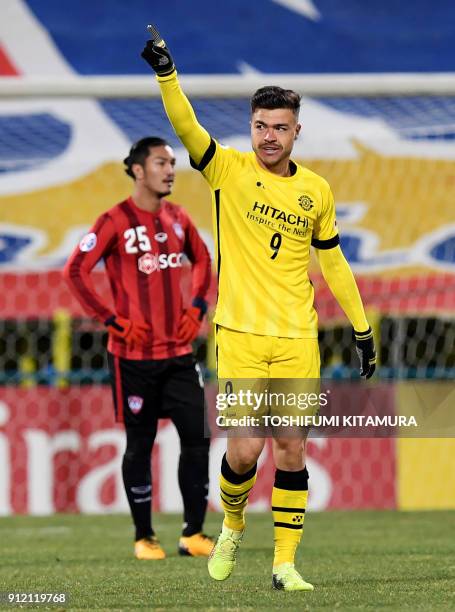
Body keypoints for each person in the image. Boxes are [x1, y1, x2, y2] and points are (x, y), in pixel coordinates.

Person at [141, 29, 376, 591]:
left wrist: (362, 329)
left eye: (280, 128)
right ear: (251, 128)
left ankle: (285, 564)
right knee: (244, 451)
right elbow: (185, 127)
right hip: (241, 333)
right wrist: (167, 74)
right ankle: (232, 525)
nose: (269, 137)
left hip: (297, 335)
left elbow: (335, 264)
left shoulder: (316, 191)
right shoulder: (226, 170)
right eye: (261, 127)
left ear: (297, 131)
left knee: (292, 448)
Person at [63, 136, 214, 560]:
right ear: (138, 170)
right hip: (132, 360)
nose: (170, 170)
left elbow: (203, 261)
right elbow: (75, 271)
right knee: (139, 444)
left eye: (172, 163)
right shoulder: (113, 221)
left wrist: (198, 306)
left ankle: (193, 533)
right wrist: (110, 320)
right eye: (161, 162)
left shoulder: (180, 219)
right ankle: (144, 537)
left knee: (197, 439)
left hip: (179, 355)